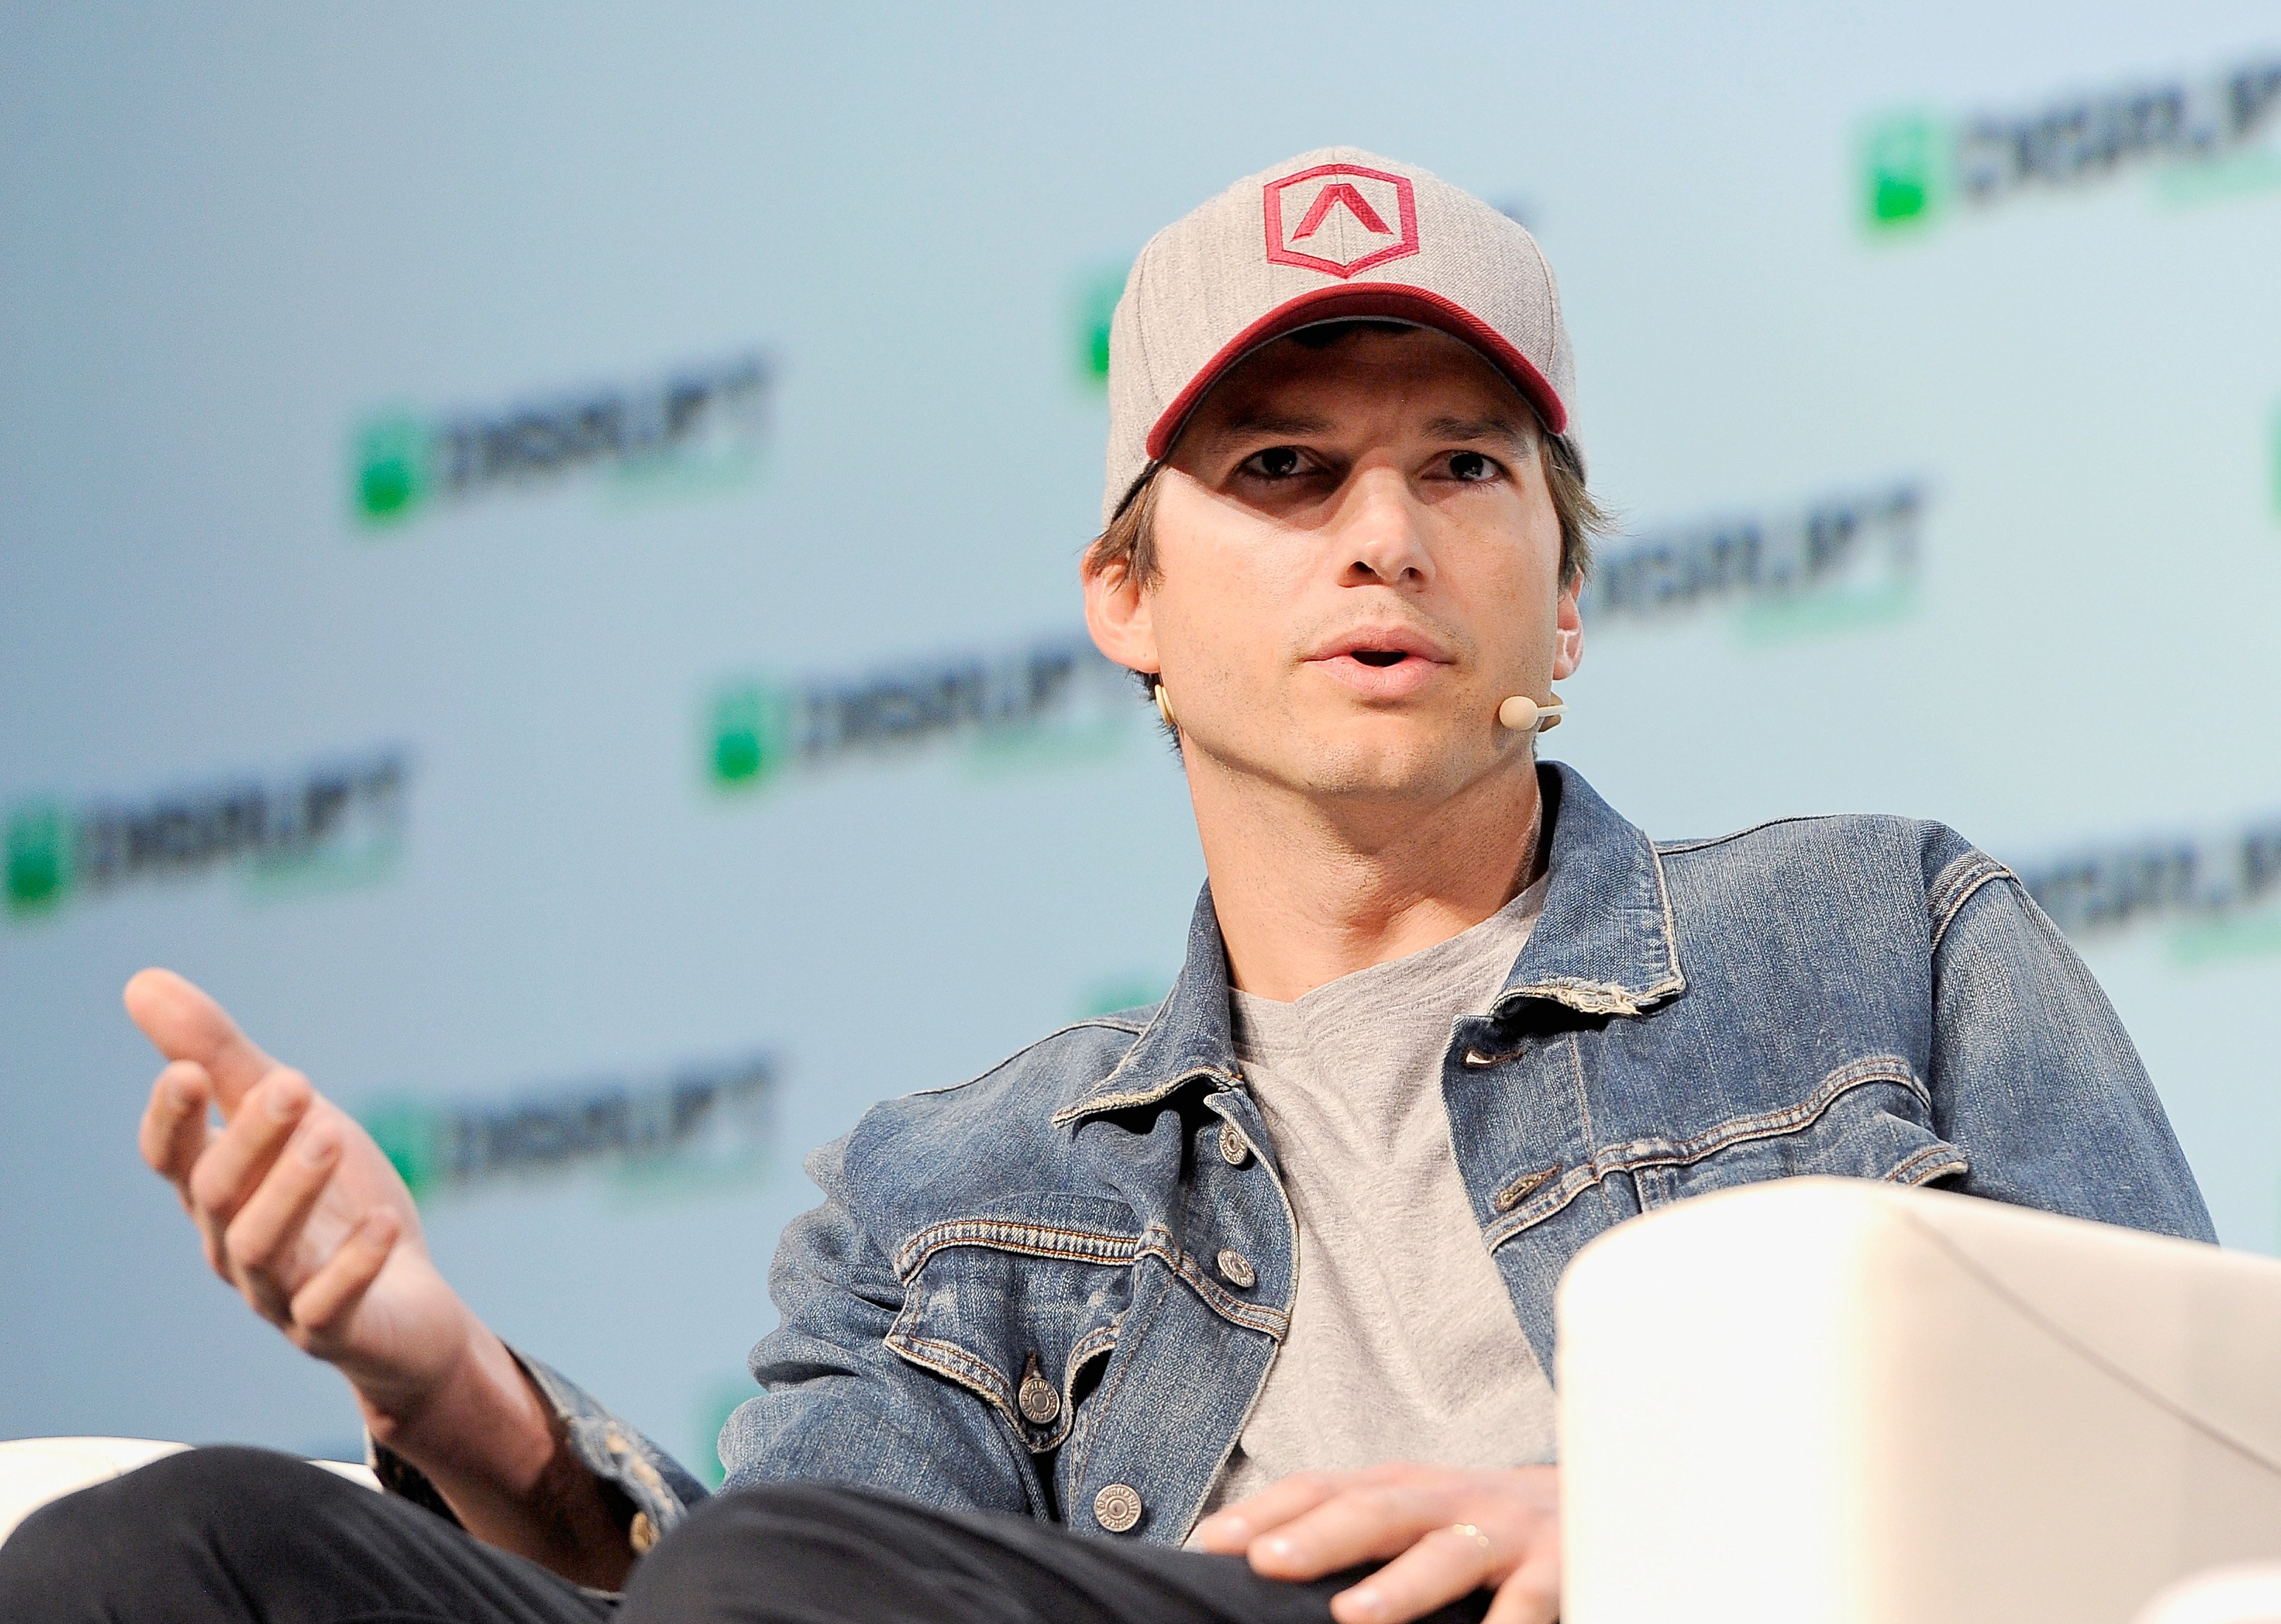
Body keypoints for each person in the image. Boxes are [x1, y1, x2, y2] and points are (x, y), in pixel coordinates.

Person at [0, 147, 2212, 1624]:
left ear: (1563, 609)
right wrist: (451, 1386)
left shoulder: (1874, 936)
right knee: (156, 1556)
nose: (1385, 534)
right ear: (1124, 598)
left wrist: (1665, 1534)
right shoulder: (948, 1188)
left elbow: (2187, 1474)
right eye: (1285, 472)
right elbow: (782, 1580)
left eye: (1466, 466)